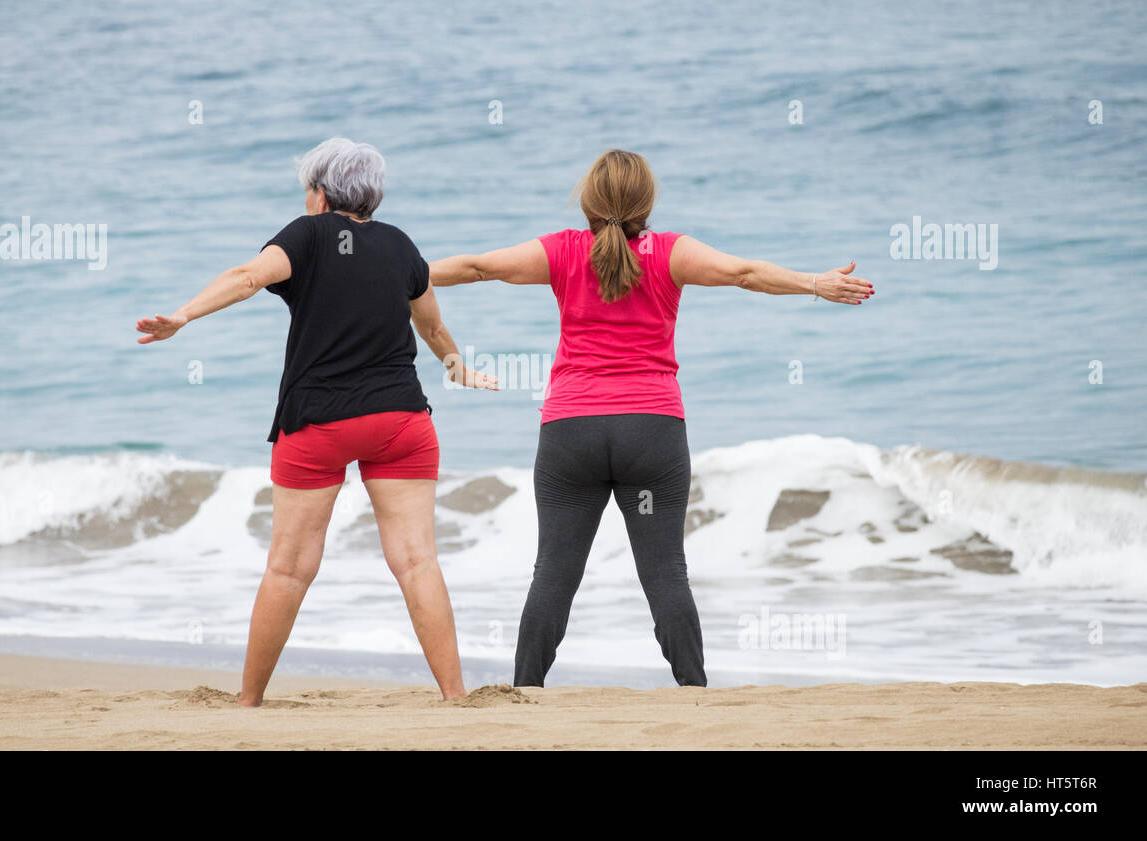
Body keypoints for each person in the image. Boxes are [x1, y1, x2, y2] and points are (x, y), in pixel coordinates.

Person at [429, 149, 873, 686]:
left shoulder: (563, 251)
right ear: (648, 202)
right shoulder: (670, 253)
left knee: (553, 574)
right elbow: (746, 274)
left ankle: (526, 692)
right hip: (652, 431)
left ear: (588, 201)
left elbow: (478, 267)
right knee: (665, 572)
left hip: (572, 432)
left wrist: (399, 275)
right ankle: (693, 689)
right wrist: (814, 283)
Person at [136, 137, 496, 704]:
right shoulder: (401, 245)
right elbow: (429, 325)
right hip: (400, 419)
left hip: (318, 424)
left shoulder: (306, 234)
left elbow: (247, 276)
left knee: (289, 569)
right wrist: (459, 368)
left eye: (307, 187)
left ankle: (249, 700)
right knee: (416, 560)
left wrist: (183, 315)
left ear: (321, 193)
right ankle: (455, 695)